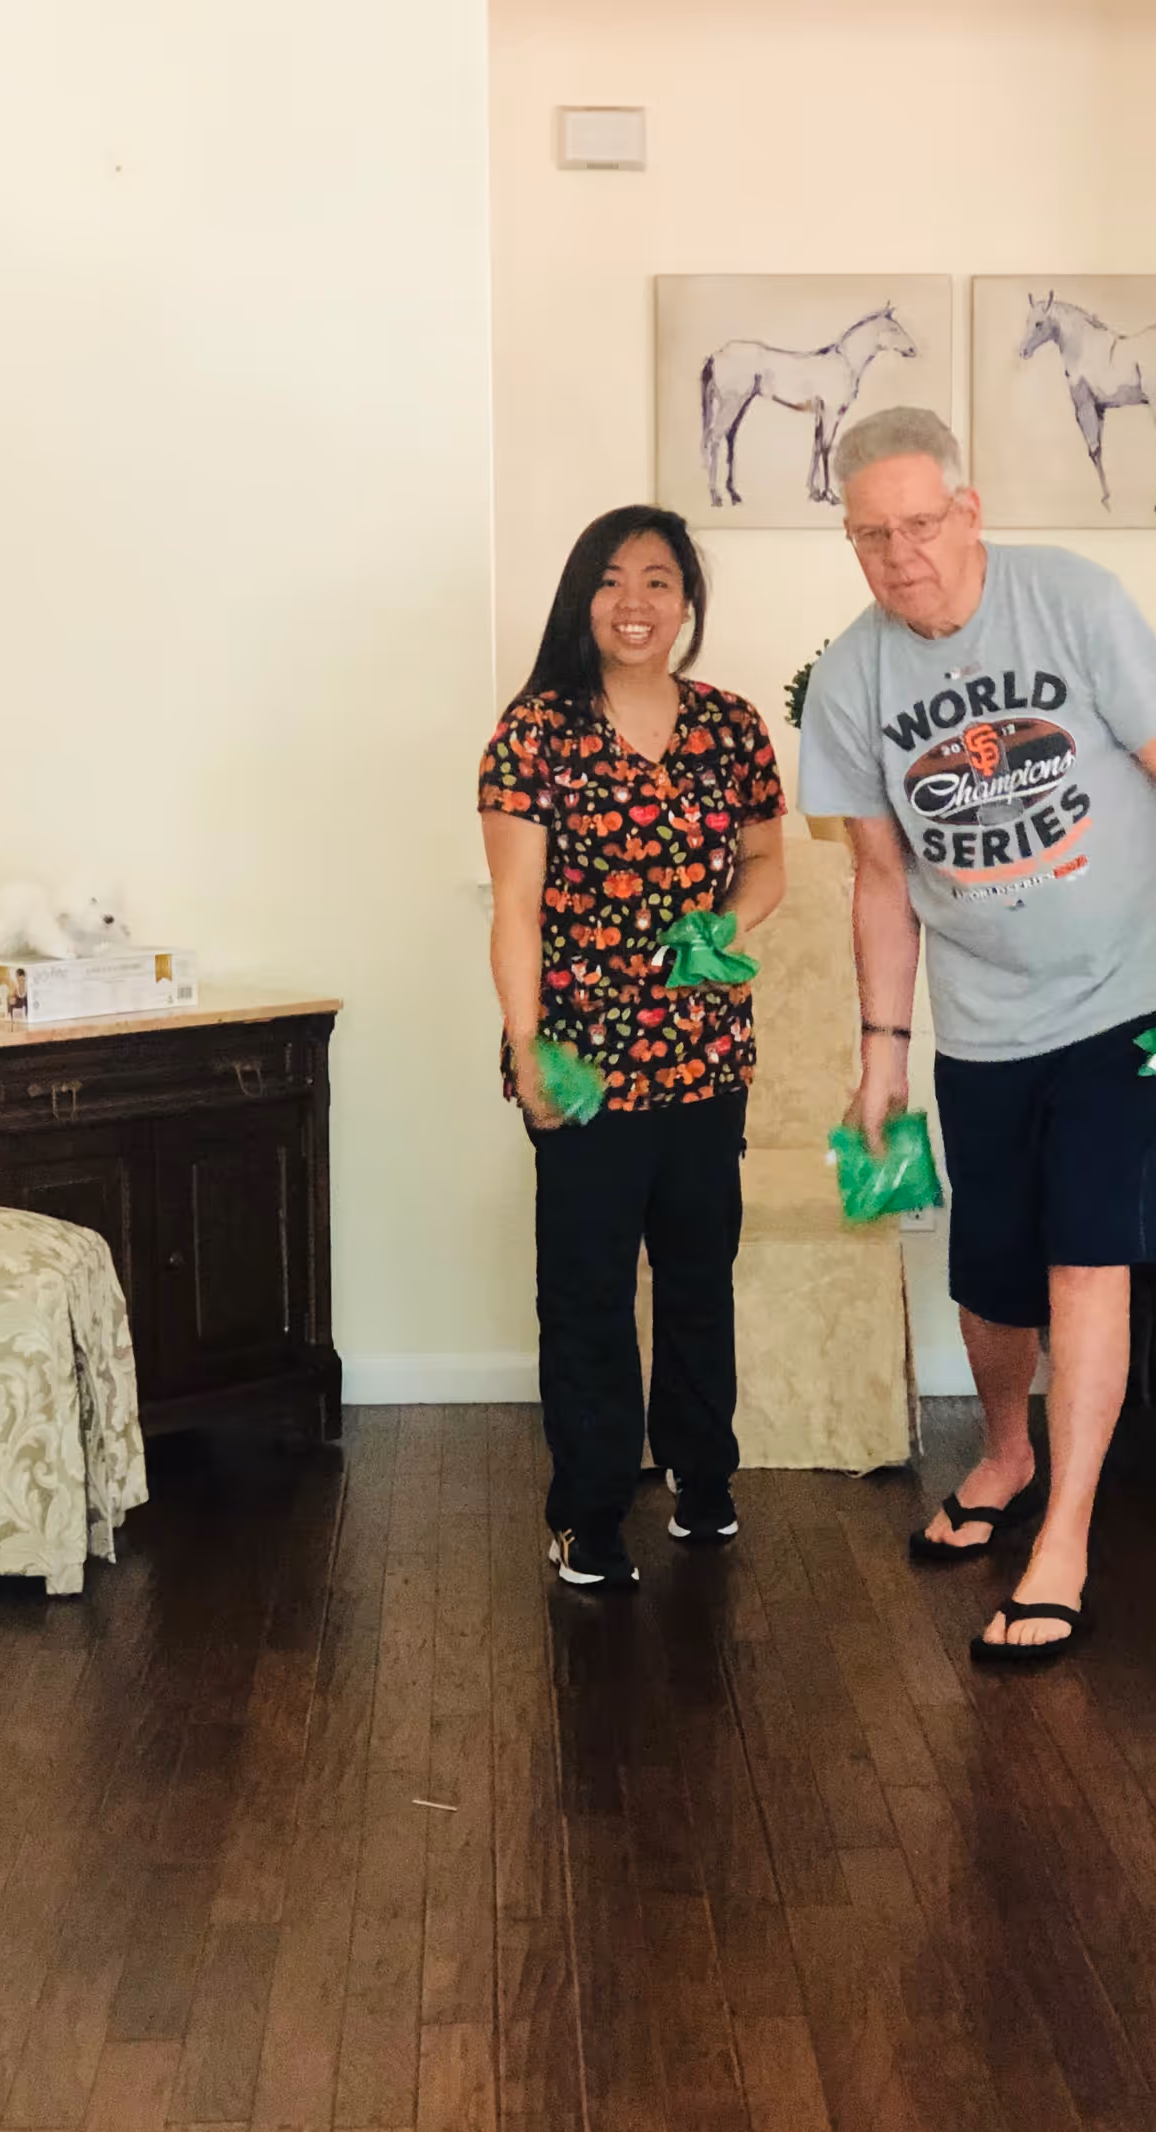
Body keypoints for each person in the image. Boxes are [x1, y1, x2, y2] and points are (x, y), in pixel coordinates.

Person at [797, 408, 1156, 1665]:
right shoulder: (851, 682)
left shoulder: (1075, 604)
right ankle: (1005, 1452)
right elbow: (880, 881)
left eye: (920, 525)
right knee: (991, 1281)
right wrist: (883, 1050)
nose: (901, 557)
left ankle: (1067, 1536)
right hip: (984, 1022)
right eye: (871, 536)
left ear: (971, 507)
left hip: (1125, 1002)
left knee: (1086, 1262)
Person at [479, 505, 786, 1590]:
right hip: (583, 1067)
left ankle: (705, 1481)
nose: (636, 602)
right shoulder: (535, 733)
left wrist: (726, 928)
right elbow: (515, 907)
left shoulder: (733, 726)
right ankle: (591, 1511)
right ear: (582, 598)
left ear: (687, 601)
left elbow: (765, 868)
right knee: (588, 1293)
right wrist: (526, 1051)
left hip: (705, 1056)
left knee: (700, 1279)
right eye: (612, 580)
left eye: (659, 580)